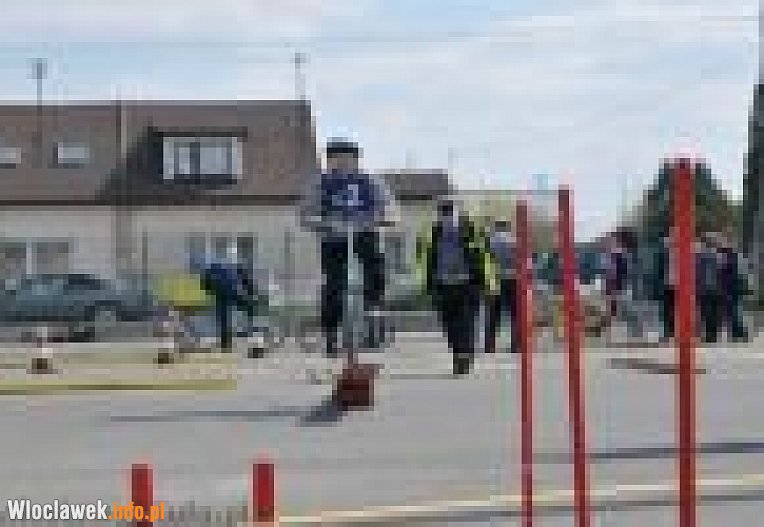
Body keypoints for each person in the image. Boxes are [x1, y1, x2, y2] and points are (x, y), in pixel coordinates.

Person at [300, 139, 399, 357]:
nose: (341, 164)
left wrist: (385, 219)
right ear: (329, 162)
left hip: (365, 233)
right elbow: (306, 213)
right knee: (333, 283)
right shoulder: (321, 184)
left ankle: (374, 311)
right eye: (335, 159)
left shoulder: (371, 182)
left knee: (375, 268)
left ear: (355, 161)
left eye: (346, 159)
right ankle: (331, 332)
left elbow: (390, 208)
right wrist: (322, 223)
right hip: (333, 237)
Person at [415, 198, 498, 375]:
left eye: (450, 211)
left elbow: (486, 257)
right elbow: (422, 261)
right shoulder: (430, 233)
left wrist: (489, 283)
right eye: (443, 212)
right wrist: (425, 285)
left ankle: (464, 356)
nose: (447, 216)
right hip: (442, 285)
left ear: (457, 212)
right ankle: (458, 354)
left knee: (466, 322)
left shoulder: (472, 230)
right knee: (449, 324)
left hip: (468, 284)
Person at [483, 220, 520, 354]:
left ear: (496, 227)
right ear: (507, 227)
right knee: (515, 313)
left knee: (493, 313)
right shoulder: (515, 241)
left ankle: (490, 345)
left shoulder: (489, 242)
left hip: (494, 279)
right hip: (513, 279)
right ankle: (516, 344)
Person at [715, 232, 750, 342]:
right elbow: (743, 273)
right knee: (734, 310)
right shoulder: (736, 256)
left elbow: (722, 273)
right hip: (733, 287)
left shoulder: (726, 257)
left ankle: (737, 332)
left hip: (731, 287)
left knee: (733, 310)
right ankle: (737, 332)